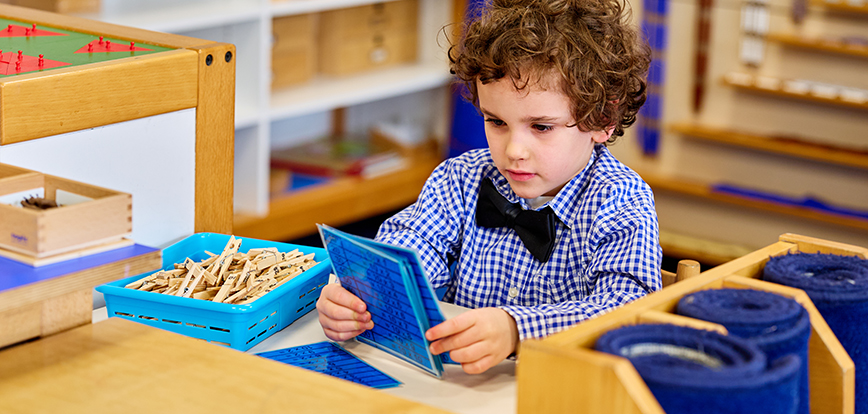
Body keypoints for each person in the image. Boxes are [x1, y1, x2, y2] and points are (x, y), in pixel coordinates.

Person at [317, 0, 660, 375]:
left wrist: (517, 330)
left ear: (603, 119)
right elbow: (403, 256)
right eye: (496, 122)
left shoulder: (622, 199)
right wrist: (357, 296)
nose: (513, 151)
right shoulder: (459, 179)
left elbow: (628, 308)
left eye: (541, 127)